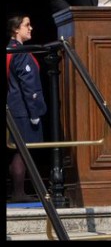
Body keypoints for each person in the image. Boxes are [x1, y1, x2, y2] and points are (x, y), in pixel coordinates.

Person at [7, 15, 46, 202]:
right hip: (22, 109)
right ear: (16, 29)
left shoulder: (10, 49)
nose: (30, 28)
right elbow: (28, 85)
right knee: (22, 152)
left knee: (20, 151)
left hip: (14, 107)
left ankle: (18, 191)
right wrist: (35, 112)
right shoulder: (20, 52)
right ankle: (18, 193)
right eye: (26, 25)